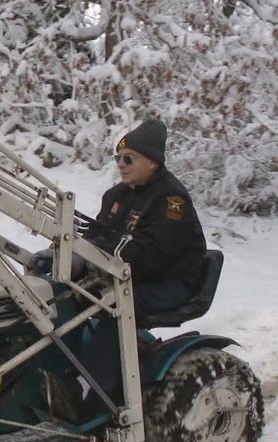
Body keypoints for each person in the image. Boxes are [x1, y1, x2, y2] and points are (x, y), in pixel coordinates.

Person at [43, 119, 208, 422]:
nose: (120, 164)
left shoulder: (172, 200)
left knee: (112, 303)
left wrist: (97, 257)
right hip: (125, 274)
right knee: (63, 293)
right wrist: (66, 252)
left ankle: (92, 394)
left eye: (128, 158)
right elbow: (97, 234)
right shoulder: (117, 196)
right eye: (117, 157)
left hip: (170, 282)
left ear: (152, 162)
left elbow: (151, 255)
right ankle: (57, 376)